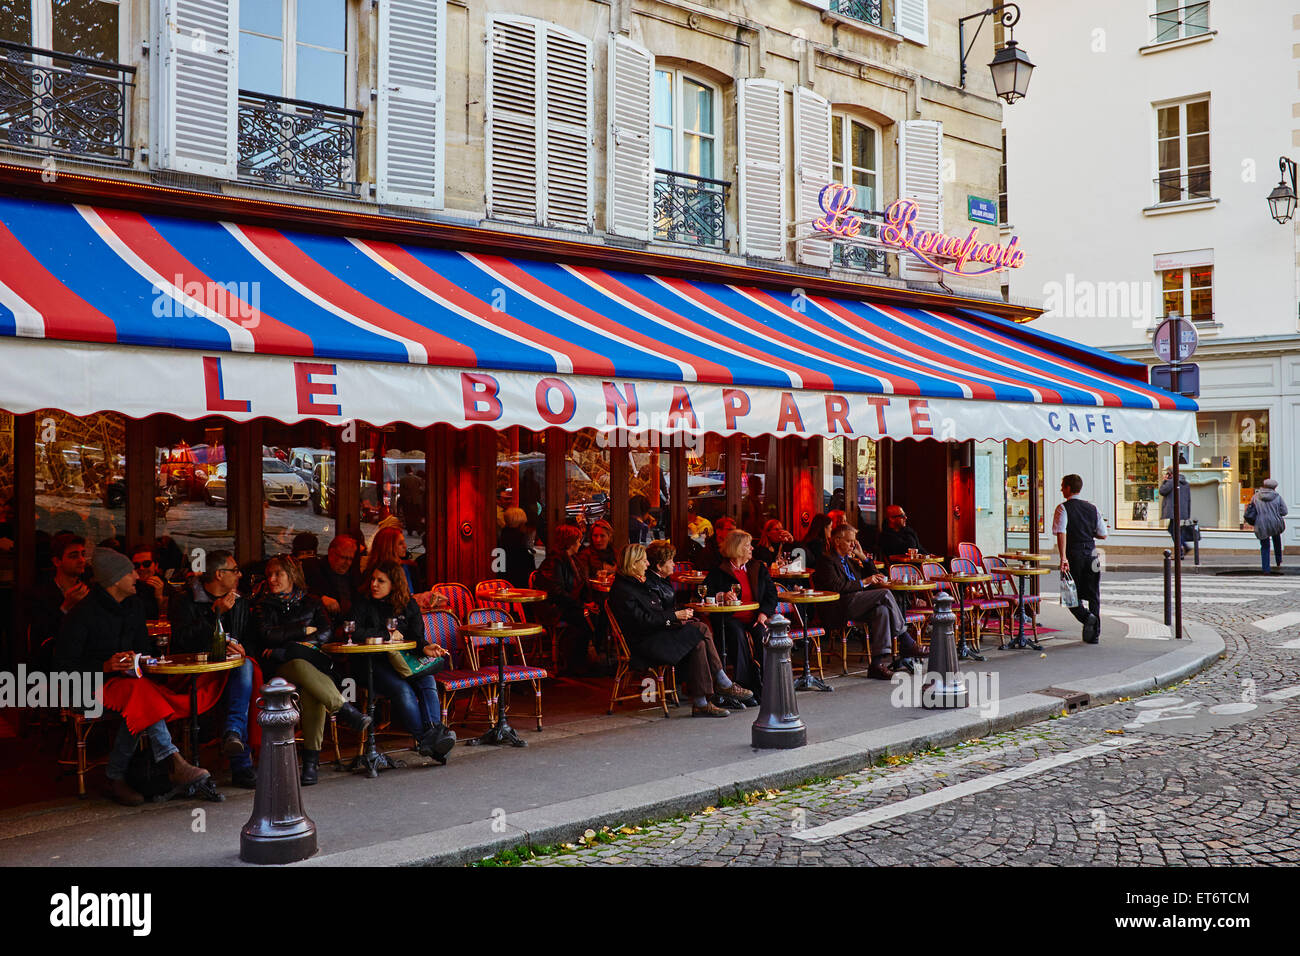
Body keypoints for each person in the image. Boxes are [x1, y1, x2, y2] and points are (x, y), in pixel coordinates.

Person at [55, 549, 211, 806]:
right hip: (88, 685)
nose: (137, 576)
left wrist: (134, 658)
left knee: (139, 697)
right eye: (130, 572)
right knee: (139, 694)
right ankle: (172, 760)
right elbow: (63, 667)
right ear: (115, 579)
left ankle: (116, 776)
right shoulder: (82, 614)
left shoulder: (135, 606)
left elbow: (144, 649)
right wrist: (104, 665)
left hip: (128, 683)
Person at [252, 554, 372, 785]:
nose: (272, 579)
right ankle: (343, 710)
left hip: (309, 665)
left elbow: (326, 634)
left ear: (292, 575)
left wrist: (286, 646)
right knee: (298, 664)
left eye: (278, 574)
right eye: (269, 575)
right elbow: (266, 635)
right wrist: (302, 631)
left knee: (311, 692)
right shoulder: (262, 605)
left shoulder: (312, 602)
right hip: (277, 670)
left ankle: (310, 763)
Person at [608, 543, 751, 718]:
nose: (647, 565)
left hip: (656, 635)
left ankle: (702, 703)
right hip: (644, 645)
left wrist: (676, 618)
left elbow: (655, 614)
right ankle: (722, 683)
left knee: (698, 642)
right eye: (644, 561)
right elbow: (645, 621)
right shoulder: (624, 590)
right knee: (701, 628)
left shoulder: (637, 583)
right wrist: (675, 616)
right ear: (633, 563)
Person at [345, 560, 455, 761]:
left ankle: (433, 735)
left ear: (394, 584)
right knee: (402, 689)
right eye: (373, 579)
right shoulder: (363, 602)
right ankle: (429, 742)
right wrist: (387, 635)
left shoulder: (408, 603)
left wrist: (425, 647)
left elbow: (417, 637)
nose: (374, 584)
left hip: (405, 661)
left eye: (381, 581)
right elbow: (354, 633)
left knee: (427, 681)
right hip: (372, 663)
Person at [167, 550, 258, 788]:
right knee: (241, 679)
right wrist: (214, 613)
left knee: (245, 665)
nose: (239, 575)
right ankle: (240, 761)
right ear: (219, 574)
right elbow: (182, 640)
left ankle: (233, 736)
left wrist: (241, 649)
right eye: (235, 570)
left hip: (229, 672)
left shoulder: (239, 601)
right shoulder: (184, 600)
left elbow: (251, 639)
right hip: (195, 675)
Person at [813, 523, 921, 679]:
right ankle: (905, 640)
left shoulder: (850, 561)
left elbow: (875, 574)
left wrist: (862, 555)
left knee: (882, 611)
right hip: (838, 607)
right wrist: (864, 582)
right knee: (884, 593)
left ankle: (876, 664)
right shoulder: (826, 560)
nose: (852, 545)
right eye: (849, 541)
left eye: (854, 542)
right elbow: (836, 586)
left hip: (856, 603)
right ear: (837, 541)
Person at [704, 530, 776, 695]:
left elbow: (772, 595)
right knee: (736, 634)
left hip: (755, 617)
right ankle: (743, 685)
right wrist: (721, 596)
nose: (752, 548)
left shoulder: (758, 567)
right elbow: (705, 593)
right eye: (748, 545)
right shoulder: (718, 570)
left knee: (762, 633)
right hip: (729, 618)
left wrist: (764, 614)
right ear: (737, 548)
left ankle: (769, 682)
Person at [536, 524, 597, 676]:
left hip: (568, 604)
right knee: (583, 618)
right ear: (570, 542)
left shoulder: (573, 560)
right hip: (554, 607)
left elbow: (578, 587)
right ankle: (575, 663)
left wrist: (587, 603)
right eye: (577, 541)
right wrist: (582, 605)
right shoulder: (554, 562)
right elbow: (557, 592)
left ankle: (586, 660)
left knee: (597, 613)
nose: (580, 544)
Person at [1054, 474, 1107, 644]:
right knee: (1093, 594)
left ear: (1069, 488)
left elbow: (1061, 532)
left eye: (1063, 486)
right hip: (1092, 553)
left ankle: (1086, 618)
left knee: (1069, 594)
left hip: (1074, 553)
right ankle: (1095, 634)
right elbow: (1103, 535)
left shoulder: (1063, 508)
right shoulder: (1093, 508)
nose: (1061, 489)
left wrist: (1063, 558)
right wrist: (1089, 532)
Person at [31, 532, 91, 660]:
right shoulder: (42, 594)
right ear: (57, 561)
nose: (81, 560)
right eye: (74, 556)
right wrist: (65, 608)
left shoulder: (90, 590)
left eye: (83, 554)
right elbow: (41, 636)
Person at [364, 525, 444, 612]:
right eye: (400, 543)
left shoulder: (410, 567)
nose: (405, 546)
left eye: (404, 542)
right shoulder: (373, 572)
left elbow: (418, 594)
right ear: (389, 546)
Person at [303, 534, 361, 623]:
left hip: (351, 625)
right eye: (344, 557)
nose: (347, 563)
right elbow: (302, 594)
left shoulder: (354, 574)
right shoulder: (314, 569)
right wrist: (321, 599)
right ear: (331, 553)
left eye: (350, 559)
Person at [1246, 478, 1288, 574]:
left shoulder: (1256, 496)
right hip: (1275, 522)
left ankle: (1266, 569)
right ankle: (1278, 560)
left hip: (1261, 523)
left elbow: (1251, 510)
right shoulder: (1277, 497)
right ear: (1274, 487)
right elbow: (1284, 511)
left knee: (1265, 546)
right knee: (1277, 540)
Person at [1159, 467, 1193, 557]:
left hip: (1173, 510)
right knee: (1173, 529)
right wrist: (1187, 513)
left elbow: (1162, 491)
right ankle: (1183, 546)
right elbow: (1189, 499)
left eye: (1167, 473)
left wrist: (1165, 481)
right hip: (1181, 511)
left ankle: (1181, 549)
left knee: (1173, 530)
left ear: (1170, 474)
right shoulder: (1185, 483)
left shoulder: (1171, 482)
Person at [498, 506, 535, 588]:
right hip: (519, 581)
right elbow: (526, 561)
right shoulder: (520, 538)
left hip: (503, 580)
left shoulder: (502, 535)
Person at [130, 546, 168, 621]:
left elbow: (169, 617)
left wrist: (159, 597)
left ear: (156, 566)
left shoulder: (165, 584)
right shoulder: (128, 585)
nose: (141, 568)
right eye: (136, 565)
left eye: (146, 564)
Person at [399, 465, 425, 533]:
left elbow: (401, 492)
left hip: (407, 502)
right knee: (417, 516)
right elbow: (422, 490)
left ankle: (409, 530)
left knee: (408, 516)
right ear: (412, 470)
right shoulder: (418, 479)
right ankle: (419, 530)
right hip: (417, 501)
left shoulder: (402, 480)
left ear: (405, 471)